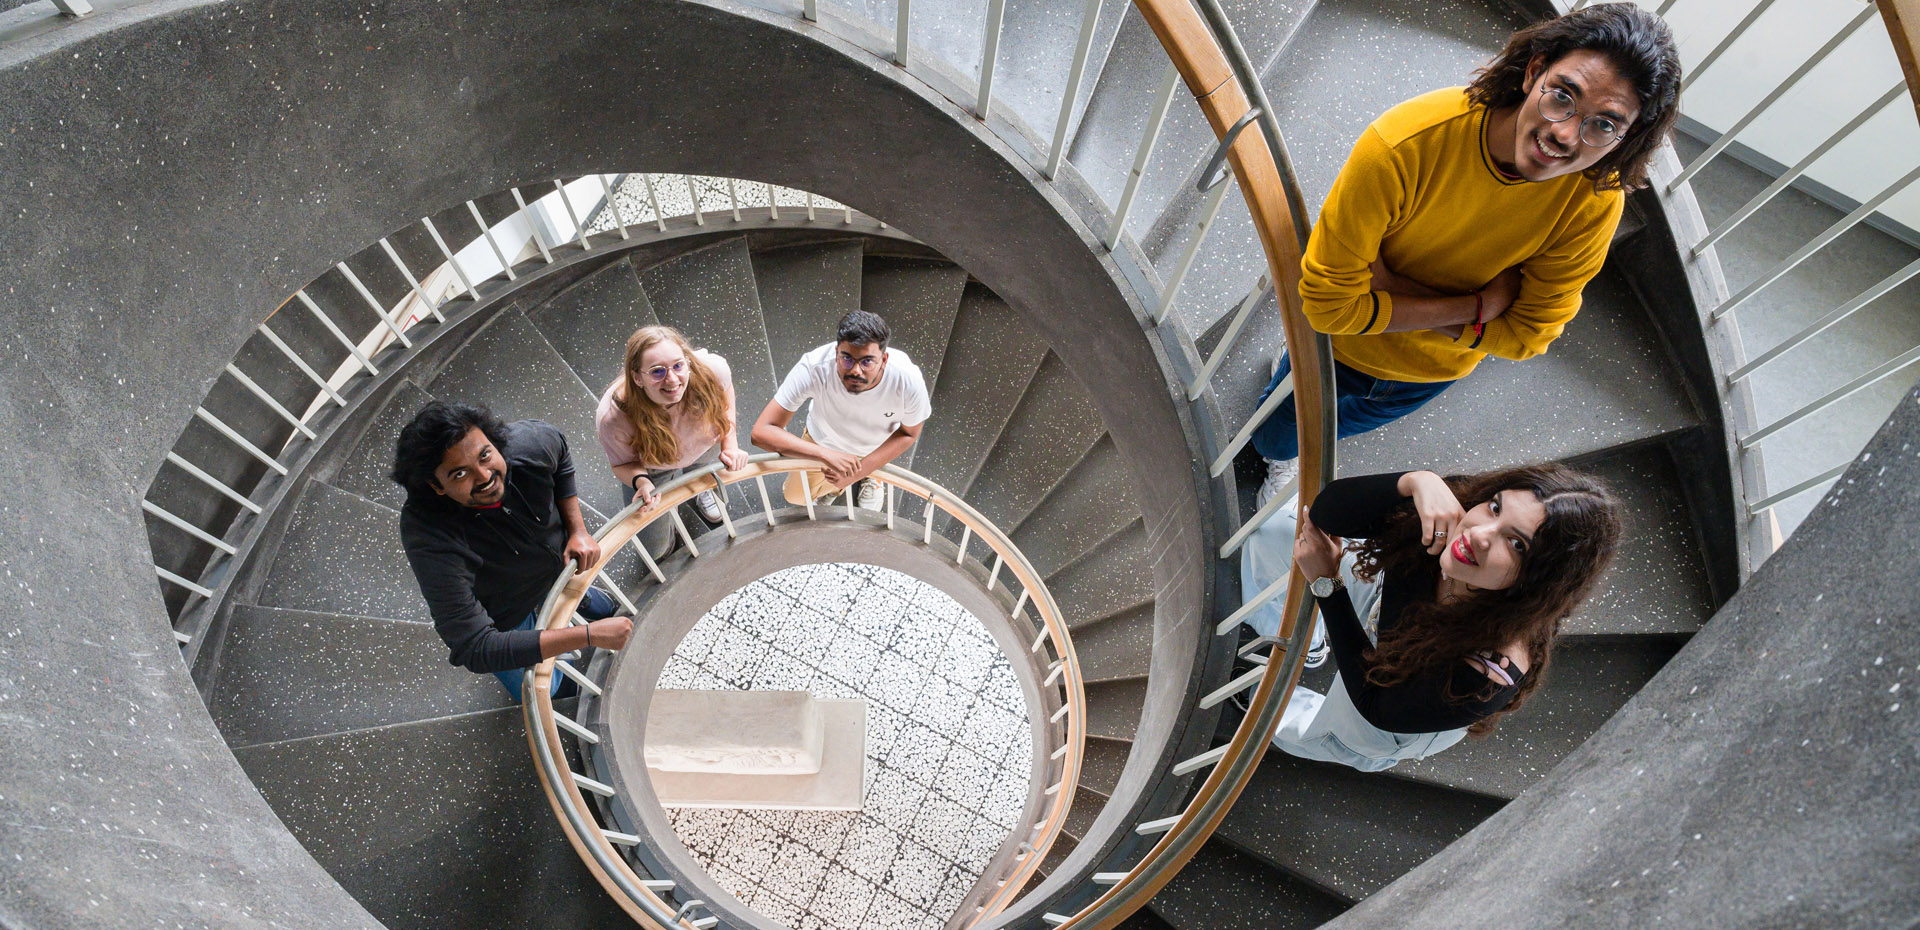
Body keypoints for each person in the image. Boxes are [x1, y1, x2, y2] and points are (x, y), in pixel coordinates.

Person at [1249, 3, 1681, 504]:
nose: (1566, 134)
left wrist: (1387, 288)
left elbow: (1525, 338)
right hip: (1341, 346)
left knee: (1341, 425)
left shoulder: (1593, 202)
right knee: (1274, 433)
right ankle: (1280, 449)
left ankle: (1297, 445)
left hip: (1429, 373)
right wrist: (1477, 308)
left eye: (1604, 125)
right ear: (1535, 72)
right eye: (1563, 96)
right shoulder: (1404, 146)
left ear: (1627, 137)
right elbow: (1327, 309)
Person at [1239, 464, 1621, 771]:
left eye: (1516, 543)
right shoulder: (1459, 511)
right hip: (1387, 601)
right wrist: (1415, 481)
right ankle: (1309, 645)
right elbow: (1327, 513)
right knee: (1278, 534)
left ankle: (1260, 707)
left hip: (1407, 689)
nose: (1478, 534)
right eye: (1496, 507)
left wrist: (1328, 585)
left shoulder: (1481, 677)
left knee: (1328, 733)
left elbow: (1375, 703)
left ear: (1539, 579)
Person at [394, 401, 634, 702]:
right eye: (459, 474)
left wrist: (578, 530)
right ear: (436, 485)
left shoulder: (529, 445)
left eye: (485, 455)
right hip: (507, 611)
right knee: (547, 691)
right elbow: (476, 647)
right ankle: (569, 694)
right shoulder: (429, 534)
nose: (483, 476)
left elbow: (560, 455)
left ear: (494, 442)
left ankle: (584, 602)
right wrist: (588, 636)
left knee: (584, 600)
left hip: (557, 566)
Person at [751, 310, 931, 510]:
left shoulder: (908, 381)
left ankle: (870, 477)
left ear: (885, 359)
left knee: (854, 475)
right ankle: (833, 488)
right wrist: (824, 454)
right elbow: (761, 432)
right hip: (822, 440)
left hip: (873, 449)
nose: (855, 370)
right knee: (795, 497)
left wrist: (859, 471)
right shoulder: (814, 367)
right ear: (836, 352)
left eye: (867, 361)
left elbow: (909, 433)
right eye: (847, 358)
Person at [596, 325, 747, 558]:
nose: (673, 379)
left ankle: (699, 487)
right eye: (657, 371)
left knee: (703, 473)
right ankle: (667, 539)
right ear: (637, 377)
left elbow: (726, 399)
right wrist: (642, 483)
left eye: (678, 365)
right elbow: (622, 463)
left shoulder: (712, 371)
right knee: (655, 551)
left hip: (703, 448)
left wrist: (730, 443)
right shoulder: (615, 416)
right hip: (653, 467)